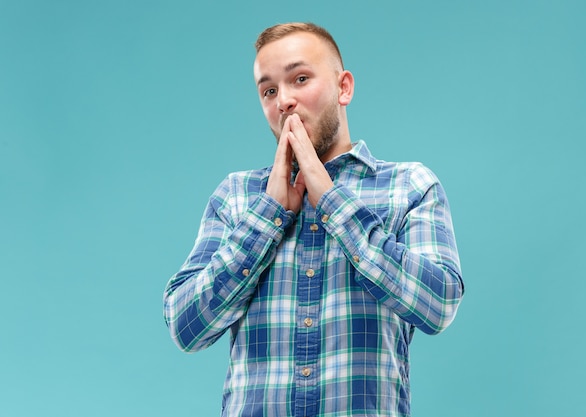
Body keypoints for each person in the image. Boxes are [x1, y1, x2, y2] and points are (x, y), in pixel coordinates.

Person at [163, 22, 464, 417]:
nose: (284, 100)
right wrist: (268, 216)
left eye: (300, 78)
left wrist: (333, 203)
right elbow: (187, 327)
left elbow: (439, 304)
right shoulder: (236, 196)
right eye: (268, 90)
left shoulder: (409, 185)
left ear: (344, 88)